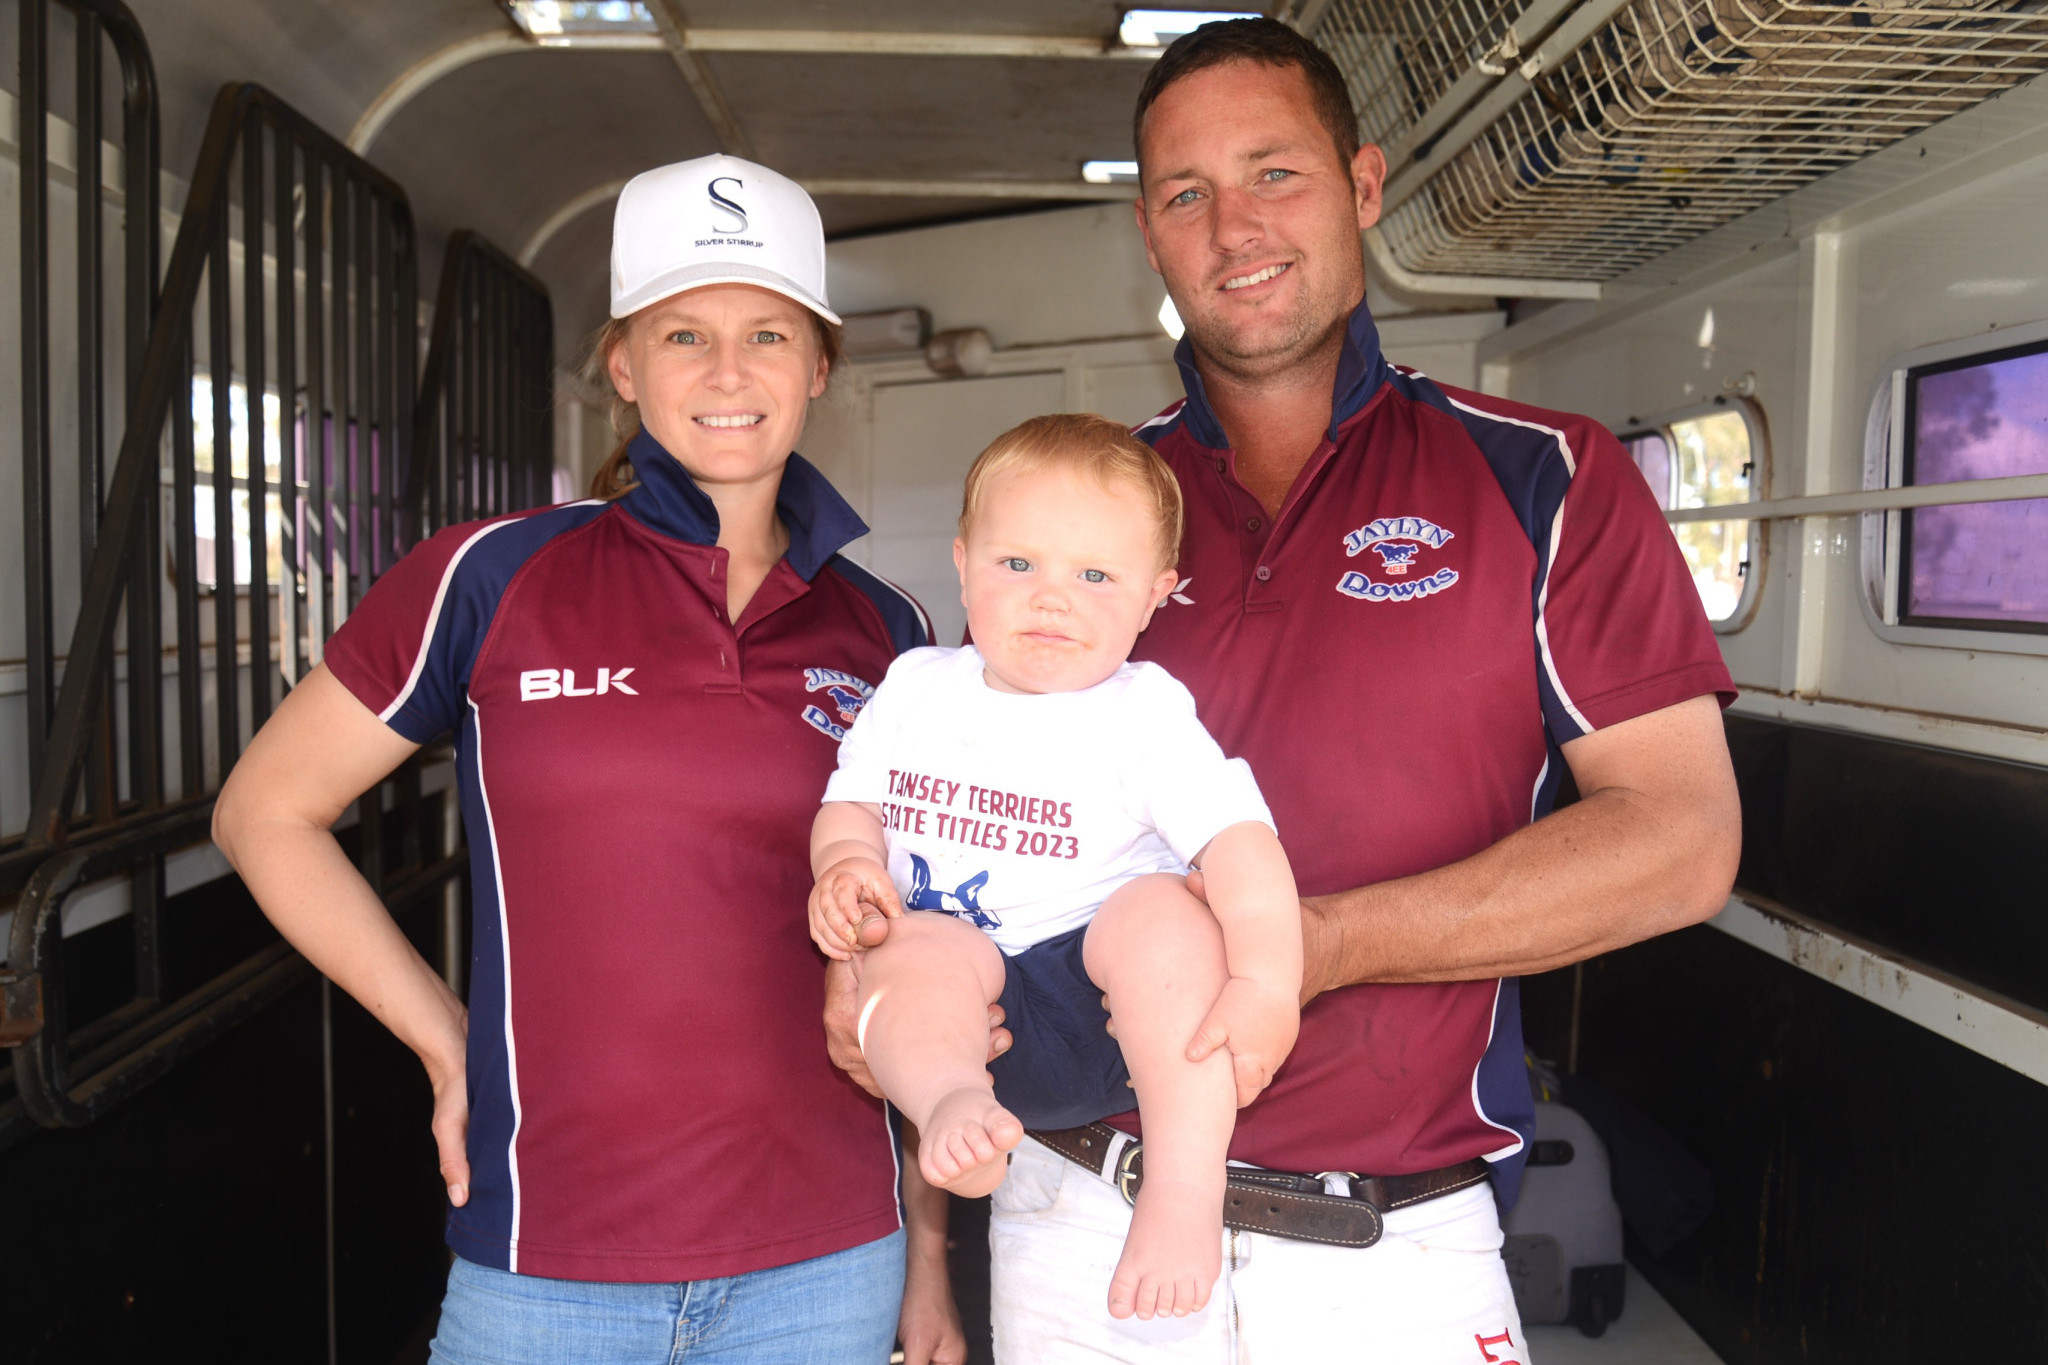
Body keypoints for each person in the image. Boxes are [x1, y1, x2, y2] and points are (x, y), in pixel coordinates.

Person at [827, 18, 1741, 1363]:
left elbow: (1681, 844)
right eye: (1187, 194)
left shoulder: (1542, 476)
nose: (1233, 225)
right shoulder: (1073, 519)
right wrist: (881, 1016)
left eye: (1276, 173)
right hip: (1081, 1210)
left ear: (1364, 186)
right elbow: (913, 862)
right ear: (1150, 232)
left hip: (1401, 1239)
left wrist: (1310, 944)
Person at [213, 154, 966, 1365]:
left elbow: (920, 956)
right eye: (683, 336)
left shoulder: (891, 634)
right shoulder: (489, 576)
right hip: (548, 1261)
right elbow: (266, 814)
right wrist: (445, 1037)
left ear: (819, 364)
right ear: (622, 365)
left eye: (768, 333)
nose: (729, 373)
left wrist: (927, 1263)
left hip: (827, 1261)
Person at [807, 414, 1302, 1323]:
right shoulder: (917, 687)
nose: (1052, 598)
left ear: (1158, 595)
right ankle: (957, 1108)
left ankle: (1183, 1189)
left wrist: (1270, 979)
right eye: (1018, 564)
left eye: (1095, 576)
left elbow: (1240, 842)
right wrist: (842, 866)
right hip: (969, 1007)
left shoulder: (1142, 714)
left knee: (1166, 913)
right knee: (902, 954)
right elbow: (850, 803)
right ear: (963, 563)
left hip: (1108, 1007)